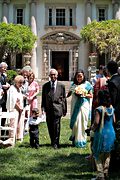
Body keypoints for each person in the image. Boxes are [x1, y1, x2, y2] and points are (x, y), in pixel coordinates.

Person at [91, 90, 116, 180]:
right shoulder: (112, 108)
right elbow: (114, 121)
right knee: (107, 154)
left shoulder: (99, 109)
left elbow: (96, 123)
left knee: (97, 154)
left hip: (101, 134)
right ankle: (105, 173)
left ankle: (100, 175)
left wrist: (91, 129)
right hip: (111, 133)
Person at [41, 68, 67, 149]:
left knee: (56, 127)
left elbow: (64, 99)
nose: (53, 76)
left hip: (58, 109)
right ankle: (52, 141)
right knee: (50, 126)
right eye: (51, 75)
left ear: (57, 75)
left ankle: (56, 143)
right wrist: (43, 108)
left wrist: (64, 109)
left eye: (54, 75)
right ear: (49, 76)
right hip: (48, 109)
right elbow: (43, 98)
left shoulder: (61, 86)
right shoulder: (45, 86)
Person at [67, 70, 93, 148]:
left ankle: (81, 141)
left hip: (83, 105)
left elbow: (91, 95)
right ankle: (75, 140)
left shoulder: (87, 84)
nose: (79, 78)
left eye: (81, 76)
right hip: (74, 105)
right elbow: (69, 94)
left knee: (82, 122)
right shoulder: (73, 84)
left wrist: (83, 94)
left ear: (83, 76)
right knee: (75, 123)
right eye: (78, 76)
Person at [0, 75, 25, 147]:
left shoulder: (19, 89)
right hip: (14, 109)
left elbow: (19, 98)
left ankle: (19, 138)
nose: (21, 84)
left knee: (20, 123)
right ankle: (11, 139)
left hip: (20, 108)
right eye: (20, 83)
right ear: (16, 82)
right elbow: (13, 100)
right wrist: (19, 107)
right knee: (13, 123)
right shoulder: (12, 88)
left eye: (22, 83)